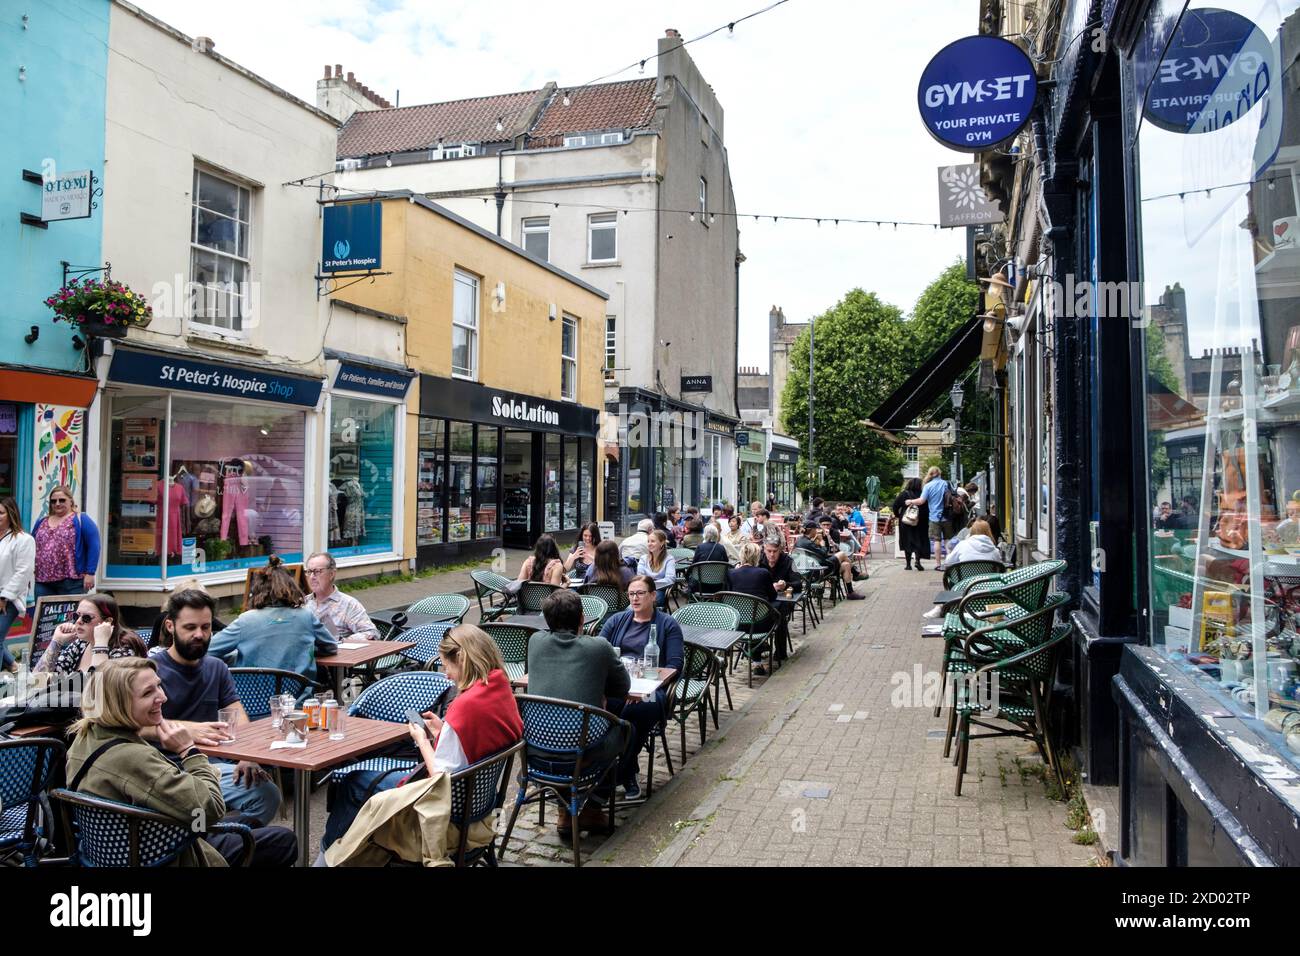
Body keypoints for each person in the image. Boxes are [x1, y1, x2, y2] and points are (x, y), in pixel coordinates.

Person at [65, 657, 296, 867]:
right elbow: (210, 810)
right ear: (118, 705)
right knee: (283, 840)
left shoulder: (84, 739)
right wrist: (189, 751)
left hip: (126, 847)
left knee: (247, 820)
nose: (162, 697)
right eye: (148, 693)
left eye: (159, 685)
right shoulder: (131, 757)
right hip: (167, 854)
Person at [320, 625, 523, 861]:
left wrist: (423, 741)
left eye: (447, 667)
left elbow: (439, 779)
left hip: (450, 812)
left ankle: (329, 857)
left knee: (352, 782)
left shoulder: (466, 706)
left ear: (463, 660)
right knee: (361, 784)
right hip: (479, 805)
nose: (446, 675)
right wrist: (444, 732)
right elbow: (474, 747)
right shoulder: (500, 688)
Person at [150, 588, 282, 827]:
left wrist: (247, 755)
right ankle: (213, 842)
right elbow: (136, 726)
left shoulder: (216, 667)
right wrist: (188, 730)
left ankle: (219, 841)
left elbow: (236, 713)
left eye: (206, 627)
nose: (199, 634)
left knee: (266, 794)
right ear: (170, 626)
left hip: (219, 763)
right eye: (190, 628)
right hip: (171, 767)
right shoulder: (151, 670)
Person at [526, 589, 631, 835]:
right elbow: (622, 688)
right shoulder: (599, 647)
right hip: (581, 752)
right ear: (582, 618)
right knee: (626, 731)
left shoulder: (535, 641)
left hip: (535, 751)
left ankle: (564, 812)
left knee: (565, 727)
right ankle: (593, 808)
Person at [598, 575, 684, 799]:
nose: (635, 598)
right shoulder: (617, 620)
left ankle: (620, 774)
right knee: (600, 707)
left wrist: (641, 679)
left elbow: (675, 665)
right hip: (619, 688)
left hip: (652, 691)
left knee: (637, 711)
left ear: (653, 596)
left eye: (640, 593)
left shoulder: (667, 625)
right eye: (631, 594)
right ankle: (628, 770)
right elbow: (598, 651)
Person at [207, 555, 338, 682]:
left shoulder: (245, 621)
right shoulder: (306, 616)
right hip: (297, 698)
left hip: (253, 699)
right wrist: (303, 650)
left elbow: (208, 650)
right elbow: (331, 647)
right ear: (292, 587)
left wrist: (236, 657)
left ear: (257, 589)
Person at [35, 593, 146, 675]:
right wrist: (56, 642)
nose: (78, 621)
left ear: (107, 621)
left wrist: (101, 643)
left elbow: (99, 689)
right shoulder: (81, 644)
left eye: (86, 617)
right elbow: (38, 681)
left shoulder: (124, 647)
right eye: (76, 615)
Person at [32, 484, 100, 597]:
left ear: (71, 501)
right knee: (43, 614)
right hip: (43, 581)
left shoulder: (81, 519)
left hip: (71, 581)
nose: (57, 503)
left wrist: (90, 573)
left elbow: (94, 545)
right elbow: (31, 546)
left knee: (70, 614)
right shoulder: (41, 521)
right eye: (53, 501)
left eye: (62, 500)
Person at [303, 551, 379, 641]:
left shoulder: (348, 604)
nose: (312, 577)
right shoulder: (302, 603)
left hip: (338, 653)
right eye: (309, 571)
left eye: (317, 571)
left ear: (332, 574)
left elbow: (371, 633)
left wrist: (343, 641)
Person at [0, 497, 35, 673]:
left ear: (11, 514)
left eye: (0, 513)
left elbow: (23, 572)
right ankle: (15, 667)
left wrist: (4, 597)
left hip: (9, 599)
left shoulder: (23, 540)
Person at [796, 521, 864, 600]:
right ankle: (855, 573)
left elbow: (818, 554)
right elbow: (824, 553)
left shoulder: (800, 540)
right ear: (812, 530)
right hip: (819, 570)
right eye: (816, 529)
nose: (817, 531)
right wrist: (822, 543)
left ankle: (850, 592)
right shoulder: (808, 543)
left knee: (846, 565)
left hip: (810, 570)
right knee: (842, 554)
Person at [908, 467, 952, 569]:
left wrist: (910, 501)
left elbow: (921, 501)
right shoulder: (946, 484)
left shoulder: (928, 486)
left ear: (930, 474)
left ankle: (938, 564)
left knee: (937, 541)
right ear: (940, 473)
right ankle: (949, 563)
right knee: (947, 540)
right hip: (947, 516)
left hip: (934, 517)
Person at [892, 477, 931, 571]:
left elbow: (895, 506)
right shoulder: (923, 495)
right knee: (919, 540)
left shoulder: (904, 494)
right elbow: (927, 508)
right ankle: (917, 561)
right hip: (920, 521)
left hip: (906, 521)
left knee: (907, 541)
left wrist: (898, 515)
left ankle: (908, 565)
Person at [636, 529, 676, 609]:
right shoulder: (643, 558)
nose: (649, 544)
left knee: (642, 602)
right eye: (648, 541)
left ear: (661, 543)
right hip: (643, 590)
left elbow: (670, 579)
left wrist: (651, 585)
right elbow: (640, 576)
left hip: (659, 591)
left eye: (653, 541)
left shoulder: (669, 559)